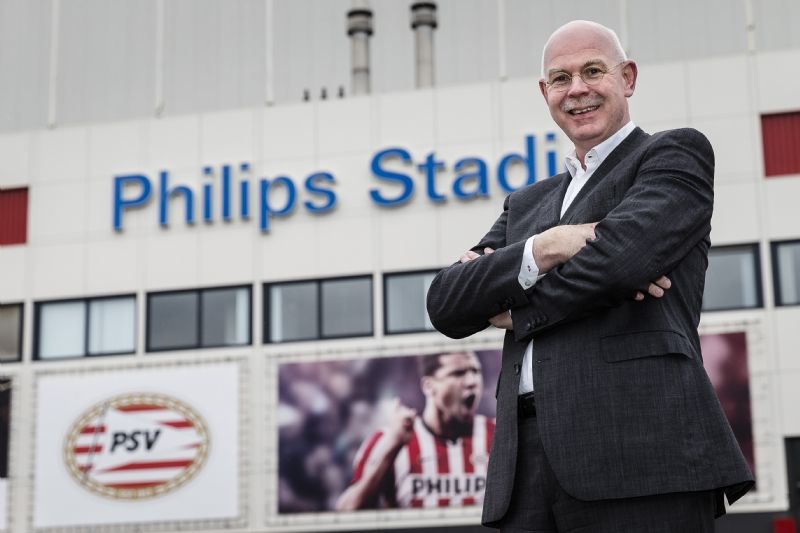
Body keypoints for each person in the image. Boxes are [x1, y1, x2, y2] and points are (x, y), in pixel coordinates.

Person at [426, 20, 754, 533]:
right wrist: (548, 246)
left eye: (593, 71)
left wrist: (519, 303)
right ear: (545, 93)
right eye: (561, 78)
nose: (577, 89)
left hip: (642, 452)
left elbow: (622, 262)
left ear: (628, 77)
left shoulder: (671, 155)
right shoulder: (527, 205)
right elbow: (447, 303)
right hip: (524, 470)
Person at [335, 351, 495, 510]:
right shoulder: (387, 440)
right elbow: (347, 510)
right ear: (429, 386)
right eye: (458, 373)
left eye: (476, 372)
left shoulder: (498, 435)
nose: (472, 381)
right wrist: (392, 448)